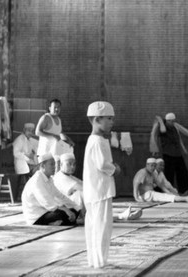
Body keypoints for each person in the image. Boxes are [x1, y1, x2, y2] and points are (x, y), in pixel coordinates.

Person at [83, 101, 120, 268]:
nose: (112, 122)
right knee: (102, 226)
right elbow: (103, 165)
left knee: (94, 225)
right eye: (109, 118)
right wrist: (116, 169)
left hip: (95, 190)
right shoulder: (97, 141)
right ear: (97, 119)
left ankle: (95, 259)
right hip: (100, 190)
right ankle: (100, 261)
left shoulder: (96, 139)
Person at [150, 112, 188, 195]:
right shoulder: (161, 127)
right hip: (168, 154)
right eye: (171, 121)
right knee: (169, 174)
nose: (173, 123)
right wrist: (161, 121)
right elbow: (163, 130)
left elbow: (184, 132)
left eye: (174, 121)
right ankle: (169, 192)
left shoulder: (175, 126)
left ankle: (184, 191)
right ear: (167, 121)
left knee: (183, 173)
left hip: (178, 154)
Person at [21, 153, 78, 226]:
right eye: (51, 164)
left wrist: (75, 206)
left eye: (55, 164)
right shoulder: (37, 180)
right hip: (36, 216)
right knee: (63, 214)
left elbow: (60, 196)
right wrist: (65, 209)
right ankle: (58, 222)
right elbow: (47, 201)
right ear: (42, 166)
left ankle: (57, 222)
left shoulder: (49, 179)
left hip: (46, 211)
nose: (54, 167)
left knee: (74, 210)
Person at [35, 99, 74, 171]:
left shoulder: (59, 119)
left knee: (55, 174)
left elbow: (60, 133)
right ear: (50, 108)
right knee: (45, 174)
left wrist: (69, 140)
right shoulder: (45, 117)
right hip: (45, 152)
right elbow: (37, 132)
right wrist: (53, 135)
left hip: (56, 152)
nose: (57, 109)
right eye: (55, 107)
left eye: (58, 107)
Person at [53, 152, 86, 223]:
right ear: (61, 165)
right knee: (79, 194)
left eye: (74, 164)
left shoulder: (70, 176)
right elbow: (82, 187)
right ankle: (81, 217)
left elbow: (84, 185)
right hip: (62, 206)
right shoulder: (60, 177)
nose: (72, 167)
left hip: (69, 204)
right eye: (69, 164)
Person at [13, 123, 38, 200]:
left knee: (41, 168)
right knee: (38, 171)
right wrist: (27, 156)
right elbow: (16, 153)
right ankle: (32, 194)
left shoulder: (30, 140)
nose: (30, 132)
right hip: (22, 164)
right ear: (24, 130)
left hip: (30, 163)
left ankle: (34, 194)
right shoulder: (20, 139)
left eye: (32, 131)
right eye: (28, 130)